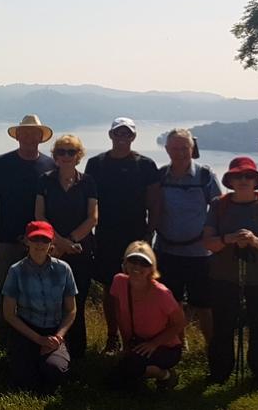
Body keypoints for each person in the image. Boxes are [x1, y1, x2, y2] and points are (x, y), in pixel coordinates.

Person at [203, 156, 258, 390]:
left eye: (248, 176)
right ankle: (219, 374)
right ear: (229, 180)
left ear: (256, 180)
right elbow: (208, 243)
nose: (243, 180)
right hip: (224, 278)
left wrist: (257, 241)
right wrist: (228, 239)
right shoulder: (219, 204)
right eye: (238, 176)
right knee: (222, 328)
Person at [83, 117, 160, 354]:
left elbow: (154, 203)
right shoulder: (96, 164)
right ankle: (112, 336)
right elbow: (89, 200)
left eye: (127, 134)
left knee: (140, 286)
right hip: (106, 233)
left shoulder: (145, 165)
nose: (122, 138)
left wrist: (150, 234)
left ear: (133, 137)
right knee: (110, 286)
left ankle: (137, 338)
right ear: (111, 135)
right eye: (118, 133)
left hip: (136, 236)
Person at [0, 114, 56, 341]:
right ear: (18, 136)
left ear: (40, 137)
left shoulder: (50, 165)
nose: (29, 137)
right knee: (4, 287)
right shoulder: (2, 163)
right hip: (7, 237)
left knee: (35, 289)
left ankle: (30, 334)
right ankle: (2, 333)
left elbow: (55, 204)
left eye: (34, 133)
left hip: (40, 242)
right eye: (25, 132)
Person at [154, 129, 221, 346]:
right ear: (167, 150)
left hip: (199, 253)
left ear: (192, 149)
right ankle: (177, 348)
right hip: (167, 251)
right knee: (171, 304)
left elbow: (220, 209)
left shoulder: (205, 176)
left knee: (204, 305)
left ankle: (212, 350)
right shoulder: (161, 175)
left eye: (185, 148)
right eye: (175, 148)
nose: (180, 153)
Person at [34, 134, 97, 359]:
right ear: (55, 156)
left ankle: (77, 353)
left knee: (76, 303)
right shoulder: (45, 180)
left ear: (78, 156)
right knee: (52, 302)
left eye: (71, 152)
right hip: (52, 250)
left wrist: (70, 241)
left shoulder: (88, 182)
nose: (66, 156)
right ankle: (53, 348)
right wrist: (59, 243)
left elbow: (92, 218)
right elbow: (39, 215)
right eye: (61, 151)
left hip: (80, 252)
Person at [2, 221, 77, 393]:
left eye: (44, 240)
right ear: (26, 241)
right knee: (25, 381)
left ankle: (49, 360)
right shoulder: (16, 271)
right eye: (35, 239)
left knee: (54, 371)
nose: (39, 244)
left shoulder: (64, 270)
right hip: (26, 330)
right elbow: (9, 314)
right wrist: (38, 339)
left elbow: (71, 310)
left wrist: (58, 337)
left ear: (51, 243)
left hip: (54, 331)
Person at [106, 241, 186, 391]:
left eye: (144, 263)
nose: (137, 267)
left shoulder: (162, 293)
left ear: (151, 268)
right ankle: (138, 372)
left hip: (165, 346)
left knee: (131, 369)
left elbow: (179, 323)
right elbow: (121, 317)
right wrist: (126, 346)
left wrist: (154, 343)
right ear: (125, 263)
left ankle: (165, 375)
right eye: (133, 261)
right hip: (138, 343)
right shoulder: (119, 281)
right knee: (114, 381)